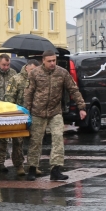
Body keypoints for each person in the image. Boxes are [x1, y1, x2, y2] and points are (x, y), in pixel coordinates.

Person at [23, 50, 85, 181]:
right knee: (35, 141)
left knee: (58, 138)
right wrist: (26, 112)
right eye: (49, 61)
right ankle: (32, 168)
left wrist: (81, 107)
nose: (52, 63)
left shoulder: (62, 73)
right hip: (37, 112)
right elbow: (28, 93)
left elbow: (73, 89)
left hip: (55, 111)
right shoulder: (35, 73)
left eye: (54, 60)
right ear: (43, 61)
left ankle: (55, 169)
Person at [4, 59, 40, 176]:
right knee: (18, 141)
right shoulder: (16, 79)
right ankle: (19, 165)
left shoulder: (39, 79)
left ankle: (33, 165)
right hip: (20, 115)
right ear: (26, 68)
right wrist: (12, 114)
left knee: (35, 141)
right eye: (32, 70)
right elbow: (9, 97)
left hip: (35, 114)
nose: (34, 72)